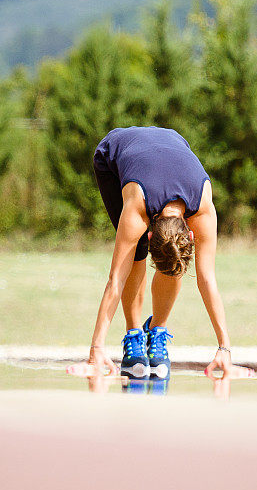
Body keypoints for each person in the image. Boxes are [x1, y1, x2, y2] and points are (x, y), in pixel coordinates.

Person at [89, 125, 232, 379]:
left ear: (192, 234)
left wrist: (225, 348)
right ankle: (134, 334)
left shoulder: (203, 207)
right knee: (134, 254)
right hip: (114, 150)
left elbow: (207, 279)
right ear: (150, 234)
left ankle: (157, 331)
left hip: (174, 139)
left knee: (174, 254)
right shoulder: (137, 207)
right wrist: (96, 348)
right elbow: (116, 280)